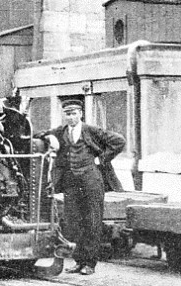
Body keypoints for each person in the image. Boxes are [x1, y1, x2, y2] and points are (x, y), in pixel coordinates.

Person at [39, 99, 125, 275]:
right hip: (71, 183)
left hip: (91, 182)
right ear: (64, 115)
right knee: (73, 222)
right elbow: (41, 134)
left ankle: (90, 264)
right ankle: (79, 261)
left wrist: (100, 159)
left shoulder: (91, 131)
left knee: (92, 221)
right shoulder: (60, 131)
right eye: (67, 114)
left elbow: (119, 141)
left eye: (74, 114)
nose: (71, 117)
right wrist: (47, 138)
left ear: (80, 114)